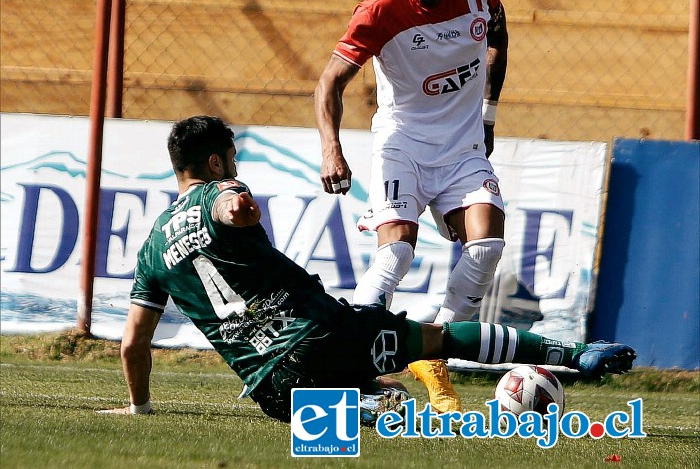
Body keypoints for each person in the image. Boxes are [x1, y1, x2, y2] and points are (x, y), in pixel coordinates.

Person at [99, 116, 636, 423]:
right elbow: (229, 203)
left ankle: (371, 402)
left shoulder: (150, 252)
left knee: (357, 397)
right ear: (216, 163)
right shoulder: (222, 190)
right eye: (231, 158)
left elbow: (132, 346)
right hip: (320, 333)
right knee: (439, 338)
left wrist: (140, 406)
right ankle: (572, 355)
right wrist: (236, 204)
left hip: (274, 389)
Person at [314, 0, 508, 413]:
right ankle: (352, 362)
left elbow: (497, 38)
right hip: (402, 144)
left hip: (462, 149)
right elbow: (329, 83)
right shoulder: (379, 11)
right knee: (396, 254)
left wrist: (487, 114)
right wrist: (331, 148)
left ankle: (433, 352)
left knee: (486, 247)